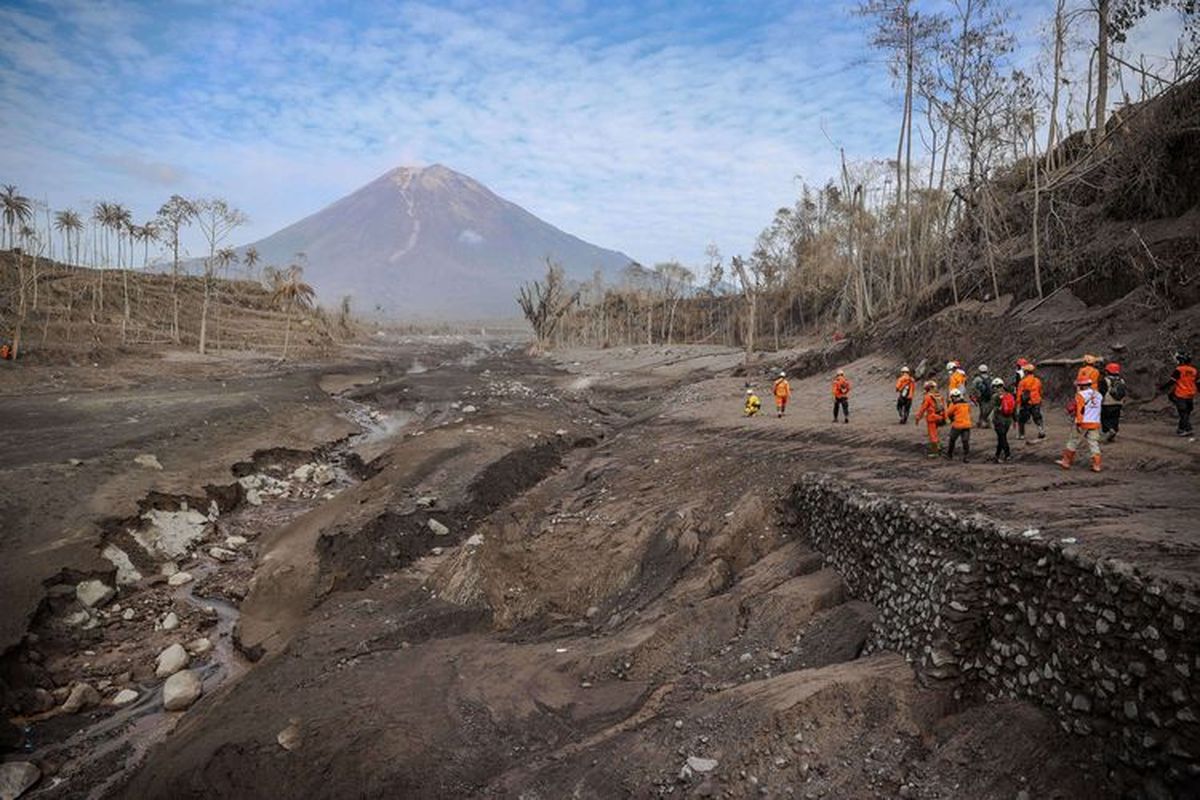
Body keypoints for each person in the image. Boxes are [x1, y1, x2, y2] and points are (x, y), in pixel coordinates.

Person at [1056, 376, 1103, 472]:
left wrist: (1078, 423)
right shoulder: (1098, 394)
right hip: (1095, 422)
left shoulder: (1080, 395)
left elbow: (1080, 410)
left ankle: (1066, 461)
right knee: (1094, 443)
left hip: (1083, 422)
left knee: (1073, 441)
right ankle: (1096, 465)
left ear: (1081, 385)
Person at [1159, 352, 1196, 437]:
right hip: (1190, 395)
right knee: (1186, 412)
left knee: (1183, 412)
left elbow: (1172, 381)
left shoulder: (1179, 370)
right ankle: (1181, 428)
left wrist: (1163, 387)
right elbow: (1197, 383)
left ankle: (1188, 429)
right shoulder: (1194, 370)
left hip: (1181, 394)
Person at [1016, 362, 1046, 441]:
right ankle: (1041, 431)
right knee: (1037, 417)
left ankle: (1021, 435)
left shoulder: (1022, 382)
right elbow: (1040, 391)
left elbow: (1019, 394)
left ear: (1026, 372)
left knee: (1021, 419)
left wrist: (1018, 403)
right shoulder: (1037, 381)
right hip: (1036, 401)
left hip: (1026, 403)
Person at [915, 380, 945, 458]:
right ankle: (938, 447)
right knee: (936, 433)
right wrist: (945, 417)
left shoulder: (928, 397)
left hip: (931, 418)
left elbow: (923, 408)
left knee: (933, 435)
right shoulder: (939, 396)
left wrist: (918, 417)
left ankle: (935, 452)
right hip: (939, 417)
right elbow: (944, 408)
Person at [1098, 362, 1126, 442]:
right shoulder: (1122, 380)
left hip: (1107, 403)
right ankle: (1113, 431)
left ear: (1107, 371)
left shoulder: (1105, 380)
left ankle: (1109, 430)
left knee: (1105, 418)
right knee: (1115, 418)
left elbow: (1102, 392)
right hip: (1119, 403)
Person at [944, 388, 973, 462]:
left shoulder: (954, 405)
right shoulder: (966, 404)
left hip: (957, 425)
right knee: (965, 441)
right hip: (967, 425)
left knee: (952, 439)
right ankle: (967, 456)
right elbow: (969, 412)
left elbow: (948, 413)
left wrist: (951, 419)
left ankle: (949, 454)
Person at [991, 377, 1015, 462]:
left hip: (999, 420)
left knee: (1002, 438)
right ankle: (997, 455)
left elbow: (994, 408)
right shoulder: (1009, 395)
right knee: (1002, 438)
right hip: (1008, 420)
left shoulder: (995, 396)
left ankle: (1007, 454)